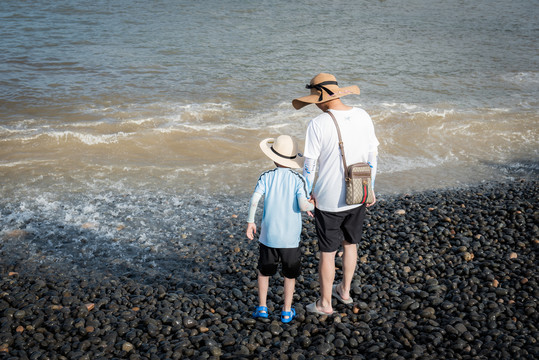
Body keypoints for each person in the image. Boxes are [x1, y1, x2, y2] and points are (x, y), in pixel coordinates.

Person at [292, 73, 379, 315]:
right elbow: (373, 154)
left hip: (328, 199)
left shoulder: (318, 124)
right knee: (351, 245)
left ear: (321, 98)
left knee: (328, 253)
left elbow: (310, 166)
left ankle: (324, 303)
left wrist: (307, 194)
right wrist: (370, 187)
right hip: (358, 192)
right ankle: (345, 291)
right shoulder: (363, 115)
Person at [246, 134, 314, 323]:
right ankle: (286, 310)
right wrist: (313, 206)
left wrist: (250, 222)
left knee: (264, 272)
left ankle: (262, 307)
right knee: (289, 275)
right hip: (290, 240)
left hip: (268, 237)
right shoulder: (298, 179)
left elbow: (255, 200)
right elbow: (303, 206)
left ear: (273, 157)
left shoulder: (266, 176)